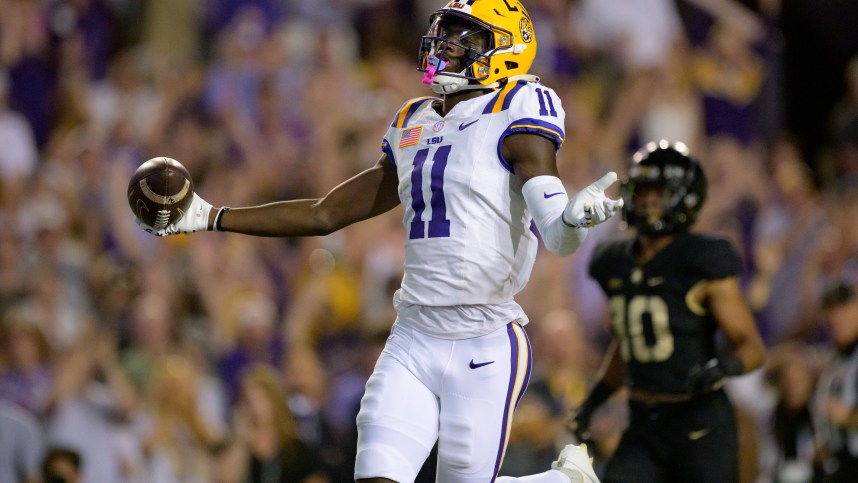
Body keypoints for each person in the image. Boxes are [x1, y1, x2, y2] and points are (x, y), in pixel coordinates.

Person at [139, 1, 618, 481]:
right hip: (412, 336)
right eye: (443, 32)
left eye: (462, 36)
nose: (444, 44)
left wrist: (576, 220)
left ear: (506, 50)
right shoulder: (413, 119)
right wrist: (211, 215)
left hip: (484, 340)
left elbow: (557, 236)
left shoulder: (518, 107)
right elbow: (325, 212)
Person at [568, 140, 767, 483]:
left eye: (657, 193)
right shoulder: (614, 261)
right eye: (642, 191)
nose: (646, 201)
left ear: (683, 197)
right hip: (644, 421)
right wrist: (593, 401)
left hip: (699, 424)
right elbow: (627, 344)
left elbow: (752, 348)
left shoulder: (702, 259)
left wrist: (720, 368)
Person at [813, 281, 858, 483]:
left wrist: (848, 417)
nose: (836, 318)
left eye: (843, 308)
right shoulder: (837, 361)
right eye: (831, 310)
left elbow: (844, 414)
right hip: (842, 465)